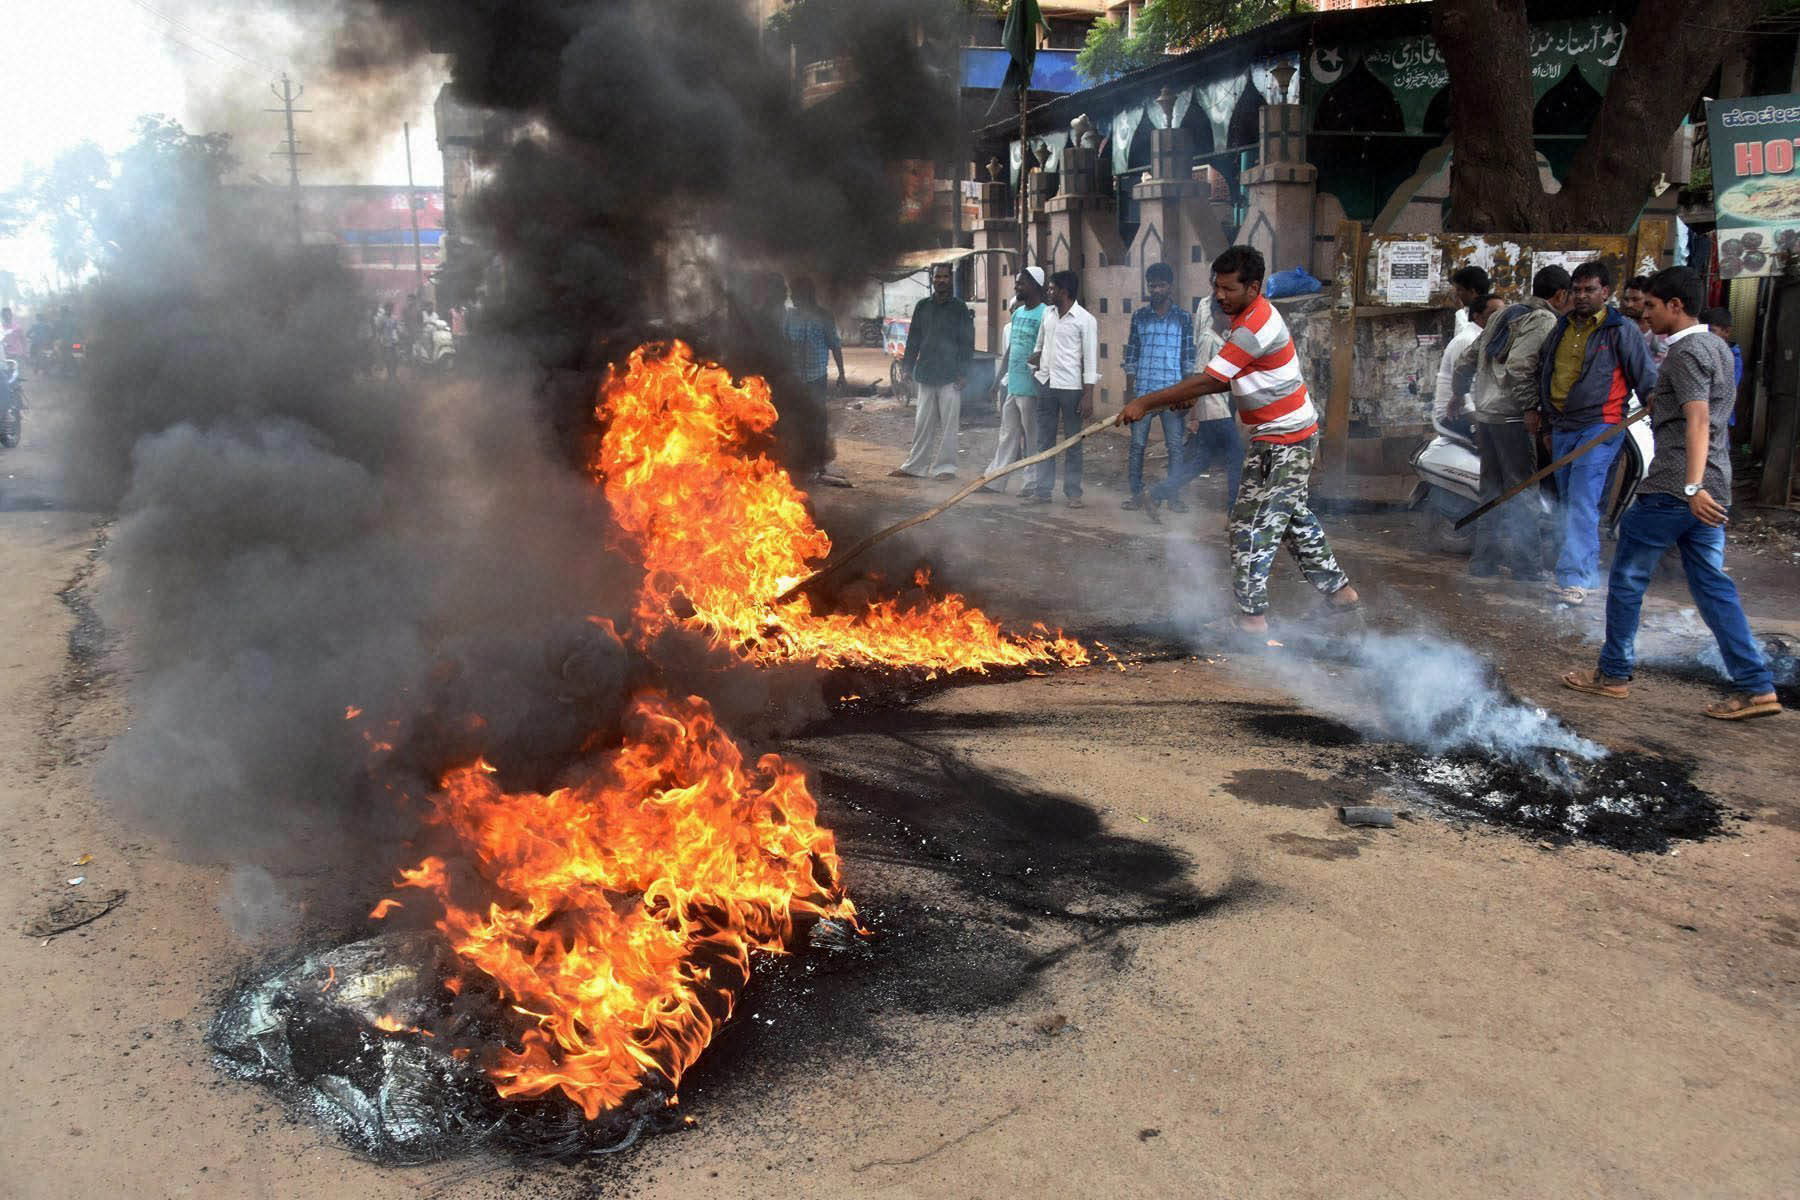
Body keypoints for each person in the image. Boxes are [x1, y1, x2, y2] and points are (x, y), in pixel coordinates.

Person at [1561, 267, 1780, 720]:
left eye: (1653, 306)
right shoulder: (1717, 347)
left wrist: (1691, 486)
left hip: (1677, 489)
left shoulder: (1687, 351)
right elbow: (1700, 411)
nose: (1646, 313)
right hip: (1711, 485)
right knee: (1712, 588)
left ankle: (1614, 674)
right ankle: (1757, 687)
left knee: (1626, 580)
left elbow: (1699, 419)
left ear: (1675, 306)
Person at [1117, 244, 1360, 635]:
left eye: (1229, 288)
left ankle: (1251, 620)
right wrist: (1189, 397)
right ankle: (1340, 593)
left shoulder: (1255, 325)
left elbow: (1215, 379)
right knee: (1294, 520)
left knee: (1250, 527)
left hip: (1284, 440)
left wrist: (1146, 402)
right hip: (1284, 435)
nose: (1219, 295)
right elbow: (1231, 377)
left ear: (1254, 287)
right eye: (1217, 287)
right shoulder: (1245, 317)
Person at [1534, 260, 1657, 606]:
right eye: (1577, 290)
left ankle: (1577, 579)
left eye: (1590, 290)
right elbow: (1546, 372)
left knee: (1582, 503)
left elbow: (1646, 378)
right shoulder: (1562, 327)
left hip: (1600, 427)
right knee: (1567, 502)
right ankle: (1574, 572)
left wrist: (1654, 401)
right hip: (1561, 427)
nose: (1582, 296)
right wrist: (1545, 422)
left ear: (1606, 292)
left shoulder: (1621, 330)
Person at [1458, 269, 1571, 580]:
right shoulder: (1543, 319)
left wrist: (1459, 392)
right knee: (1523, 491)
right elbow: (1521, 366)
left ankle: (1484, 563)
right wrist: (1530, 407)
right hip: (1511, 418)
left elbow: (1467, 359)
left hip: (1486, 416)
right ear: (1560, 295)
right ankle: (1526, 567)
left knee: (1492, 491)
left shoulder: (1504, 313)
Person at [1147, 300, 1238, 518]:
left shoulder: (1220, 338)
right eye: (1227, 314)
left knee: (1200, 462)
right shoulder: (1207, 339)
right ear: (1216, 314)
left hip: (1219, 407)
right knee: (1236, 457)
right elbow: (1199, 376)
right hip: (1215, 409)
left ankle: (1156, 494)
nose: (1231, 319)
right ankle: (1235, 513)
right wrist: (1195, 413)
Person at [1121, 263, 1197, 513]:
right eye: (1152, 285)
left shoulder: (1183, 318)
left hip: (1173, 393)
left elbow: (1188, 358)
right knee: (1137, 447)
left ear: (1170, 286)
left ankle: (1172, 496)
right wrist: (1130, 392)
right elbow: (1131, 354)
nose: (1156, 289)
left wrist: (1187, 394)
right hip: (1143, 392)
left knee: (1175, 448)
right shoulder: (1140, 316)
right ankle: (1136, 494)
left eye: (1161, 285)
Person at [892, 263, 973, 480]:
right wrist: (907, 367)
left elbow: (967, 341)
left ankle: (945, 468)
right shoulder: (923, 306)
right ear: (932, 279)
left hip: (950, 376)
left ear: (950, 279)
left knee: (949, 424)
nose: (941, 280)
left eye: (945, 277)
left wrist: (964, 372)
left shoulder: (959, 308)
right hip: (926, 373)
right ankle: (915, 467)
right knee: (922, 424)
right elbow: (914, 339)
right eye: (938, 276)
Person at [1025, 269, 1099, 507]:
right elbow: (1039, 346)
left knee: (1073, 442)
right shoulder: (1048, 314)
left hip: (1071, 389)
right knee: (1044, 441)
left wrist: (1088, 395)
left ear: (1064, 292)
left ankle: (1073, 493)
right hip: (1046, 385)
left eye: (1051, 288)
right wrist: (1035, 371)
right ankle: (1043, 490)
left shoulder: (1085, 320)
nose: (1048, 292)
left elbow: (1090, 360)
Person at [980, 267, 1047, 492]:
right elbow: (1011, 351)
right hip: (1013, 385)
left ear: (1035, 286)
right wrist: (998, 379)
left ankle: (1032, 483)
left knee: (1032, 438)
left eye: (1021, 283)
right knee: (1007, 435)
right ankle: (995, 480)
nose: (1016, 287)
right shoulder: (1018, 314)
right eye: (1017, 283)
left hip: (1032, 388)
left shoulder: (1046, 314)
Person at [783, 277, 847, 394]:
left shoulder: (824, 317)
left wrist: (841, 374)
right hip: (795, 378)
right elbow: (784, 344)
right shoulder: (790, 316)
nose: (791, 297)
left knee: (817, 411)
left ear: (805, 294)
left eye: (795, 293)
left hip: (817, 379)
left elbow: (835, 346)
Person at [1619, 276, 1671, 367]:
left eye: (1635, 300)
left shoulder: (1663, 329)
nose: (1629, 305)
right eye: (1626, 299)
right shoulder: (1619, 328)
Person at [378, 301, 400, 381]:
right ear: (385, 309)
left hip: (394, 341)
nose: (389, 310)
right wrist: (381, 340)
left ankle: (394, 374)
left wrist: (398, 338)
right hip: (386, 342)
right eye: (388, 308)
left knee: (396, 358)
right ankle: (390, 374)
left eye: (391, 308)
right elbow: (379, 330)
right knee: (388, 359)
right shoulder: (382, 319)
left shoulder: (394, 318)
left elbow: (397, 329)